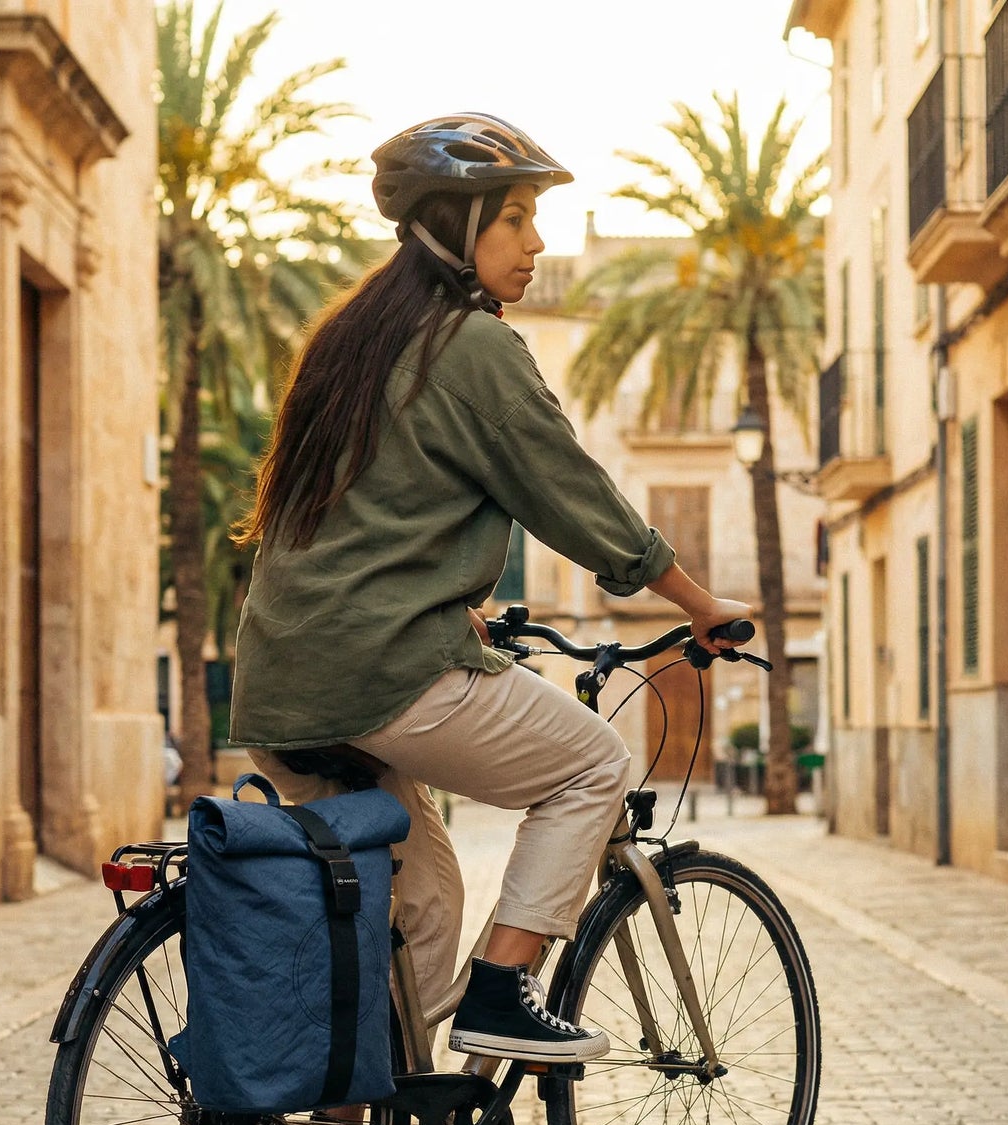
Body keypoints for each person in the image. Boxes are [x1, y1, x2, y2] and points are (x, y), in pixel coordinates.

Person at [229, 114, 750, 1070]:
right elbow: (568, 489)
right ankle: (506, 994)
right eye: (515, 217)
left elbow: (345, 519)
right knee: (593, 764)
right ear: (453, 226)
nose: (537, 243)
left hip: (281, 680)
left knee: (420, 909)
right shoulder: (469, 345)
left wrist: (442, 594)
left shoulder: (347, 340)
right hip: (385, 675)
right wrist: (694, 600)